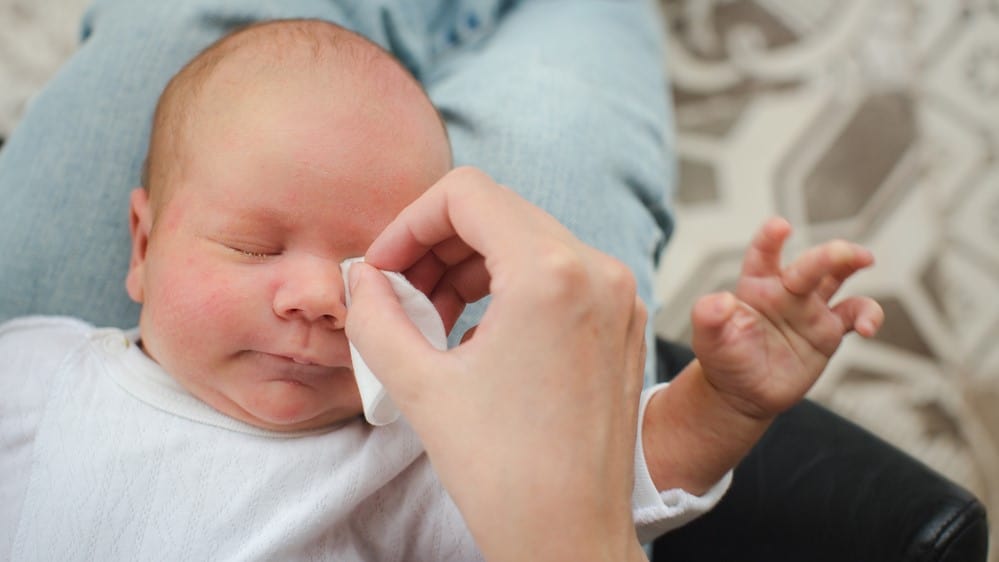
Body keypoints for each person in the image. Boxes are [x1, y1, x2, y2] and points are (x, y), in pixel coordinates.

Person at [0, 19, 883, 561]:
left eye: (370, 267)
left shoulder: (396, 457)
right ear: (143, 245)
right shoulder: (39, 370)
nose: (317, 296)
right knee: (567, 100)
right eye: (252, 246)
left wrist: (719, 404)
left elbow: (590, 483)